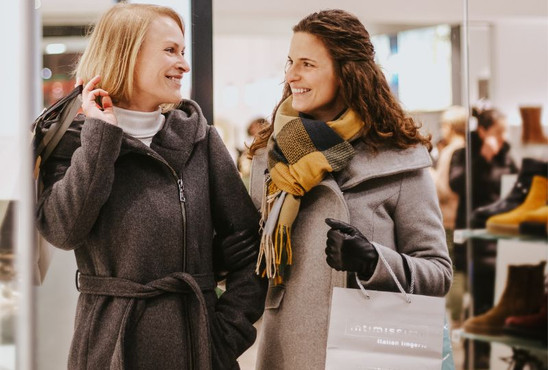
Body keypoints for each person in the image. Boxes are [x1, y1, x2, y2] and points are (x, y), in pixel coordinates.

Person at [34, 3, 267, 369]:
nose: (184, 65)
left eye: (183, 52)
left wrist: (225, 335)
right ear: (126, 54)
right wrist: (101, 137)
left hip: (199, 347)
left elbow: (249, 246)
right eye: (170, 51)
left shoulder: (199, 138)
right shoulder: (74, 142)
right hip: (109, 348)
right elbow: (64, 231)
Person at [247, 9, 453, 369]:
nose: (291, 75)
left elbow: (439, 273)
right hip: (287, 350)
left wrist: (373, 260)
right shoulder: (273, 157)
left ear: (347, 73)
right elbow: (252, 260)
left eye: (307, 64)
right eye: (290, 61)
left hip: (368, 348)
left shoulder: (398, 160)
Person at [449, 105, 518, 368]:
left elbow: (516, 189)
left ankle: (499, 359)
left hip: (502, 239)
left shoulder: (507, 155)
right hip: (475, 240)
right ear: (485, 130)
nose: (503, 138)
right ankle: (476, 360)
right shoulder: (464, 155)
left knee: (501, 305)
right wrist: (481, 160)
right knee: (478, 306)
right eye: (499, 132)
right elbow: (457, 185)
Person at [430, 106, 467, 325]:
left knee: (453, 268)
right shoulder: (462, 149)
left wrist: (428, 173)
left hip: (451, 218)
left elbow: (445, 189)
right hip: (454, 217)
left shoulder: (453, 151)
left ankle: (456, 319)